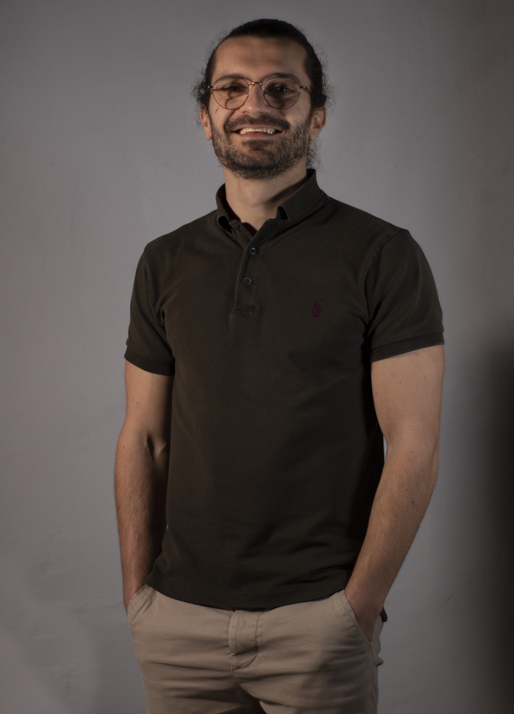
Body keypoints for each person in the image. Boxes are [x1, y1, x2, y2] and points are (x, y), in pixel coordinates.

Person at [115, 18, 445, 714]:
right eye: (231, 88)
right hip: (177, 622)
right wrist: (138, 597)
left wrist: (358, 607)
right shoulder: (164, 261)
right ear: (206, 114)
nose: (253, 105)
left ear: (316, 114)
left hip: (318, 621)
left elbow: (414, 444)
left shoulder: (383, 255)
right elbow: (144, 438)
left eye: (280, 89)